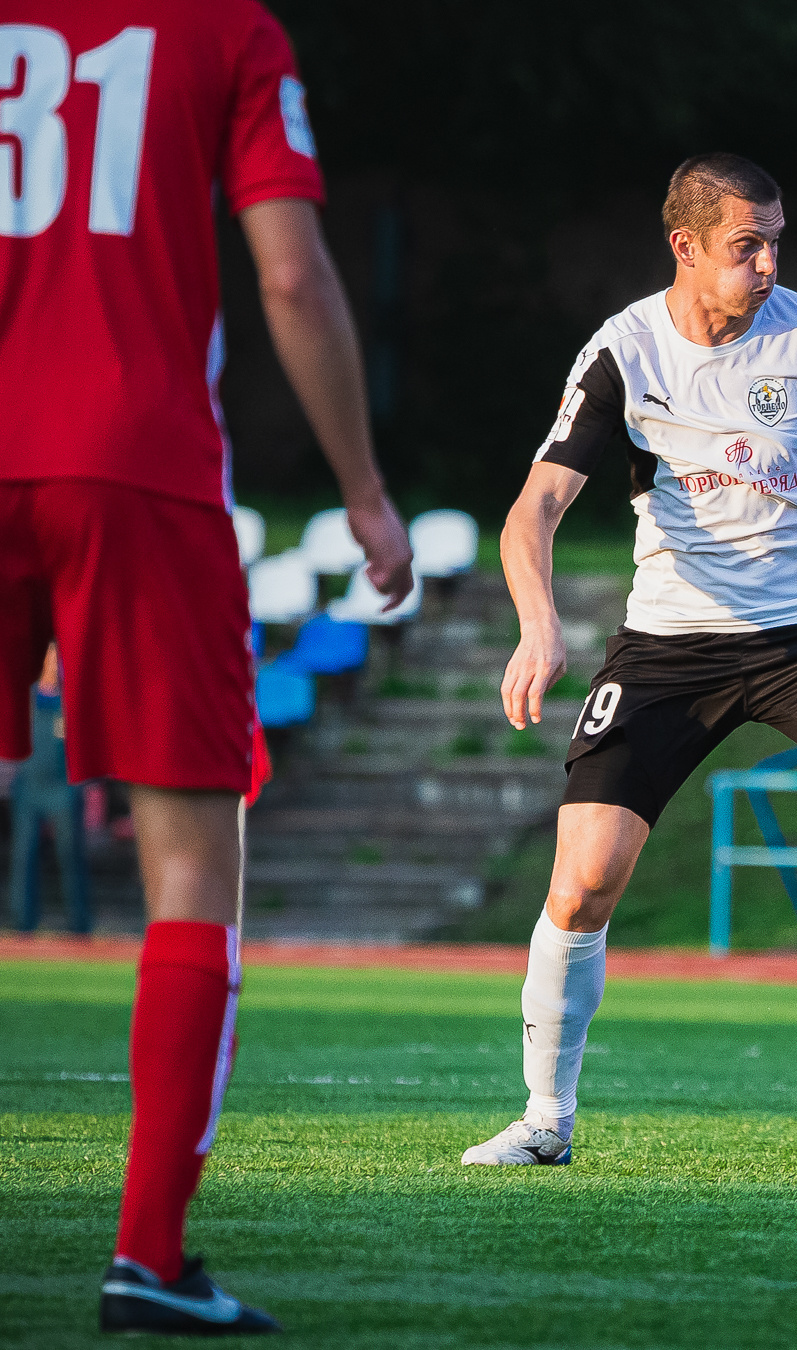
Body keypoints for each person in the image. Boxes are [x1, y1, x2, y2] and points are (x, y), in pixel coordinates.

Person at [0, 0, 414, 1332]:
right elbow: (290, 274)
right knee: (192, 856)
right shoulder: (226, 31)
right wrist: (361, 486)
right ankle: (148, 1255)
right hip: (134, 455)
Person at [461, 153, 797, 1170]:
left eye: (776, 243)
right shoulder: (625, 351)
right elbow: (534, 507)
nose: (767, 264)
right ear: (687, 247)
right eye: (748, 247)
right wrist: (537, 623)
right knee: (583, 884)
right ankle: (545, 1120)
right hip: (671, 640)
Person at [12, 646, 92, 935]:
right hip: (30, 787)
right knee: (24, 857)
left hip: (64, 790)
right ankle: (23, 925)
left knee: (71, 857)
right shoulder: (26, 697)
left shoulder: (72, 700)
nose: (52, 664)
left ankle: (80, 926)